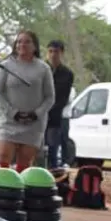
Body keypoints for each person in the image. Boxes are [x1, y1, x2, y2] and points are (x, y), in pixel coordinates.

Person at [0, 30, 55, 170]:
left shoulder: (44, 68)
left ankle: (19, 189)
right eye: (19, 41)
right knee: (3, 157)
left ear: (35, 46)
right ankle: (1, 188)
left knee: (24, 162)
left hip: (33, 124)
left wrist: (36, 114)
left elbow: (50, 97)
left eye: (27, 41)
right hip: (9, 121)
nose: (22, 44)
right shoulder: (6, 66)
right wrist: (12, 113)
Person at [44, 40, 75, 168]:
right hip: (37, 117)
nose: (53, 55)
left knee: (52, 150)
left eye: (56, 51)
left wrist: (49, 111)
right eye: (50, 51)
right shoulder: (42, 69)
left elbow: (62, 98)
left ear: (61, 53)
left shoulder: (67, 74)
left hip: (54, 119)